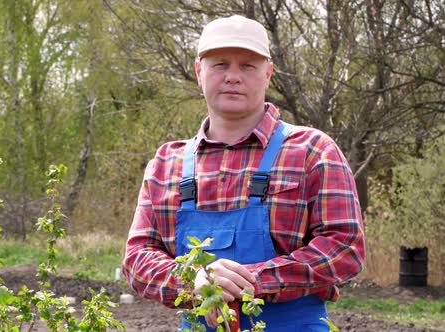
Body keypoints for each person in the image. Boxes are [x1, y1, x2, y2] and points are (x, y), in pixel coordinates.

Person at [122, 15, 365, 331]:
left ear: (268, 73)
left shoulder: (312, 151)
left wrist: (253, 280)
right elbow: (137, 257)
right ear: (199, 72)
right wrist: (192, 280)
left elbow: (345, 246)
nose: (233, 76)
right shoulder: (167, 163)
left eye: (247, 66)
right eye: (220, 64)